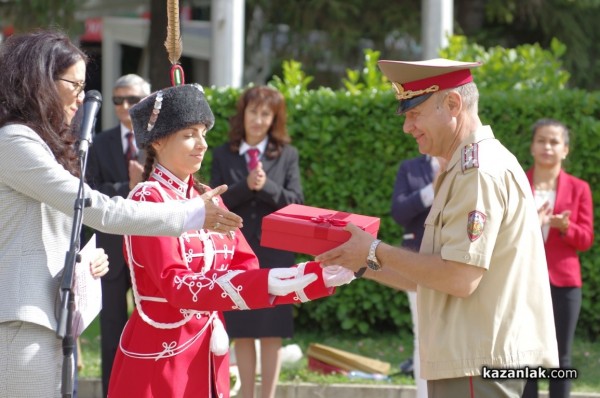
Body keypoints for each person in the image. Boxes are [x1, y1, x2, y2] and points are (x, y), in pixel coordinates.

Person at [0, 29, 243, 398]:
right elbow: (94, 207)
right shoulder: (15, 140)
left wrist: (82, 259)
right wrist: (190, 214)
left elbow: (45, 229)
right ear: (40, 79)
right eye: (75, 86)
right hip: (21, 318)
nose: (81, 99)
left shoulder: (37, 142)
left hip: (49, 316)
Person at [316, 58, 559, 398]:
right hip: (469, 358)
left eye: (414, 113)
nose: (407, 127)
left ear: (453, 104)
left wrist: (374, 250)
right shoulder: (466, 166)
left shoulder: (477, 171)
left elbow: (459, 278)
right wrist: (359, 262)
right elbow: (432, 277)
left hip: (475, 363)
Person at [107, 83, 354, 398]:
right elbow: (177, 286)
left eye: (204, 133)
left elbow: (245, 265)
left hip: (209, 351)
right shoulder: (147, 199)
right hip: (161, 357)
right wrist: (286, 280)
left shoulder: (206, 197)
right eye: (189, 135)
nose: (202, 145)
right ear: (156, 141)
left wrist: (313, 276)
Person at [210, 85, 303, 398]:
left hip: (276, 253)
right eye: (254, 112)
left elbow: (296, 202)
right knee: (243, 330)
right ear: (243, 114)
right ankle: (247, 394)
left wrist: (266, 187)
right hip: (236, 253)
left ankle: (269, 395)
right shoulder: (224, 153)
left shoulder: (287, 155)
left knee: (272, 330)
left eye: (266, 114)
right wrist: (244, 186)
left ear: (274, 118)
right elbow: (214, 201)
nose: (259, 119)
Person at [85, 73, 151, 397]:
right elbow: (90, 191)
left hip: (150, 247)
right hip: (110, 247)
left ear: (146, 101)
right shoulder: (97, 142)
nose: (124, 106)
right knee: (111, 328)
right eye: (118, 100)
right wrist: (129, 188)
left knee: (150, 324)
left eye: (132, 99)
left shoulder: (160, 140)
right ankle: (112, 391)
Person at [522, 119, 594, 398]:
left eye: (554, 142)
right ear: (532, 147)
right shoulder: (518, 183)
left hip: (563, 282)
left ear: (565, 150)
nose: (547, 147)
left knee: (559, 357)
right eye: (541, 140)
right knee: (525, 355)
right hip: (524, 281)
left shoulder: (579, 188)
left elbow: (586, 238)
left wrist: (566, 227)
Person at [390, 154, 445, 398]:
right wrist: (430, 191)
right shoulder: (409, 167)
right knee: (422, 334)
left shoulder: (464, 161)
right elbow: (399, 212)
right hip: (417, 260)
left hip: (454, 259)